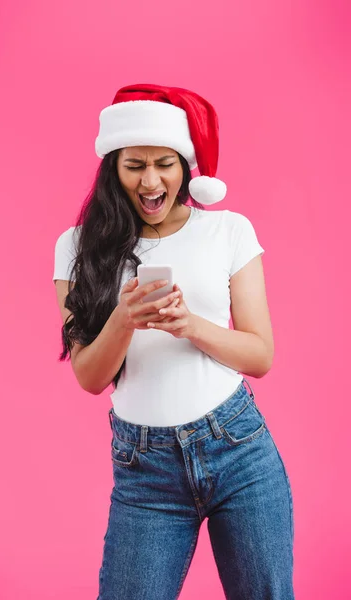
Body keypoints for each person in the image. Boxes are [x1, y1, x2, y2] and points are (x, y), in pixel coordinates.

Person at [53, 83, 295, 600]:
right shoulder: (77, 248)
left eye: (165, 163)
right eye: (134, 164)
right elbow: (90, 378)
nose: (151, 179)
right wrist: (124, 318)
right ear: (113, 168)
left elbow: (261, 356)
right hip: (146, 470)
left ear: (185, 168)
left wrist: (190, 325)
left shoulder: (228, 231)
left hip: (239, 451)